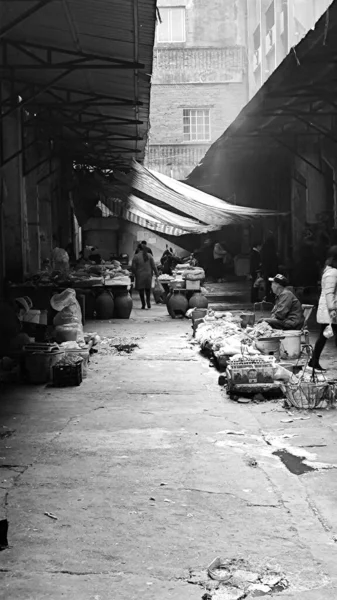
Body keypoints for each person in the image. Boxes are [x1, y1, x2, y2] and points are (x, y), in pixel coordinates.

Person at [310, 246, 337, 371]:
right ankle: (313, 361)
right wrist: (332, 310)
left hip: (328, 310)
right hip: (330, 311)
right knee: (324, 336)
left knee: (323, 336)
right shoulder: (333, 273)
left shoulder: (329, 271)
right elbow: (329, 293)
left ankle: (313, 361)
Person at [132, 244, 158, 310]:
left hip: (139, 275)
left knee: (141, 290)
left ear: (139, 249)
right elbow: (154, 266)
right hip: (148, 275)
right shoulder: (149, 256)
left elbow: (133, 267)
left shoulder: (136, 256)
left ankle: (143, 304)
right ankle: (148, 302)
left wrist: (134, 273)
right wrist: (157, 273)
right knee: (148, 289)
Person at [261, 233, 279, 302]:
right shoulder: (272, 250)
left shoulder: (264, 249)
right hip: (273, 271)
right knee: (273, 283)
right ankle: (272, 296)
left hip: (267, 270)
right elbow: (275, 260)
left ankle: (268, 296)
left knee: (268, 284)